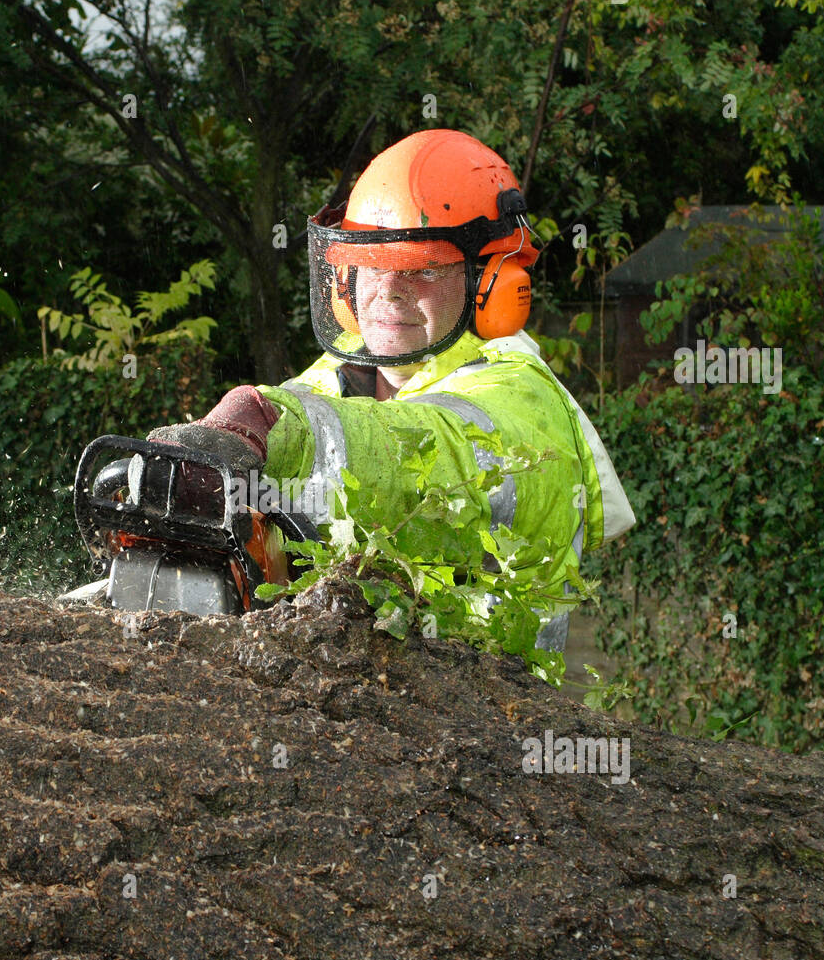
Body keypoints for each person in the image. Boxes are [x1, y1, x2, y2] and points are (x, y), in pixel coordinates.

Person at [145, 128, 635, 651]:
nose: (387, 290)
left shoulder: (522, 398)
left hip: (485, 714)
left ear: (488, 281)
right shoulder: (334, 379)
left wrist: (266, 422)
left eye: (420, 268)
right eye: (369, 265)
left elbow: (425, 459)